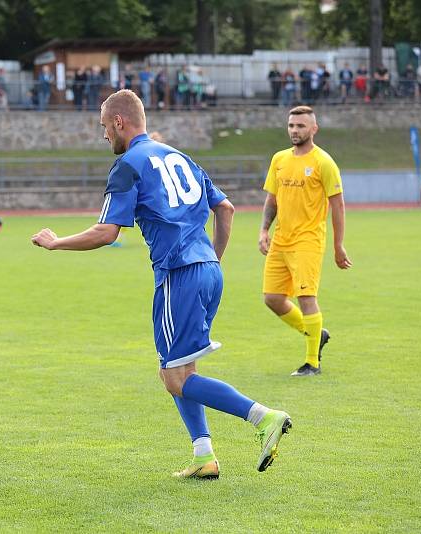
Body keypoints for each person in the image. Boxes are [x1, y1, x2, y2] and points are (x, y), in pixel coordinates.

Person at [31, 89, 293, 479]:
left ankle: (262, 417)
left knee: (174, 377)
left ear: (119, 122)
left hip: (178, 275)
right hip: (207, 271)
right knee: (179, 371)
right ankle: (204, 456)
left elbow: (106, 232)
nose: (104, 135)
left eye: (104, 126)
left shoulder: (128, 164)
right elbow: (226, 207)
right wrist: (213, 259)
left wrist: (56, 243)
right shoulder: (178, 156)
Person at [259, 106, 352, 377]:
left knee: (306, 297)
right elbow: (272, 199)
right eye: (291, 126)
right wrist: (264, 230)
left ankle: (313, 363)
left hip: (308, 240)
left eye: (301, 126)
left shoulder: (324, 162)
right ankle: (314, 332)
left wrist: (338, 245)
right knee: (273, 298)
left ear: (314, 129)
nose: (295, 130)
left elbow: (338, 206)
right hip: (281, 239)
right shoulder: (279, 159)